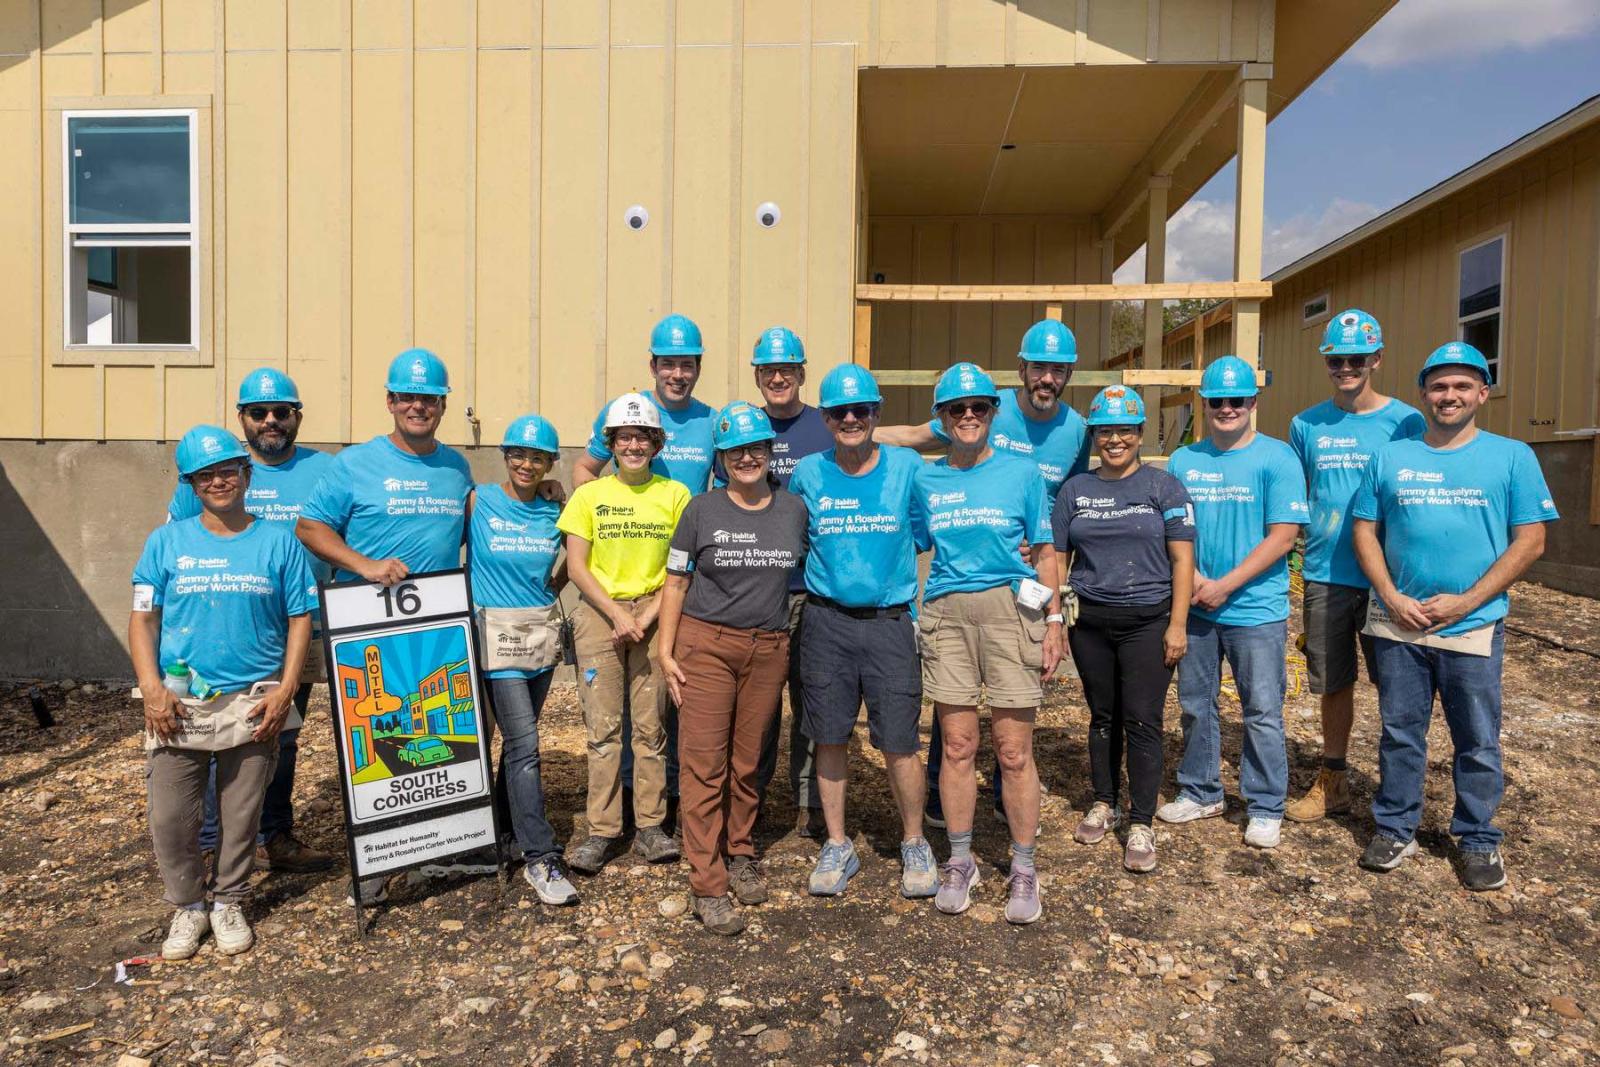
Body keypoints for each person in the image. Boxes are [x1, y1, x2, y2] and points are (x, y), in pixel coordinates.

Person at [1352, 342, 1557, 891]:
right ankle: (1396, 826)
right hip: (1399, 621)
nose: (1449, 396)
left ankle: (1478, 838)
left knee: (1477, 737)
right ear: (1424, 393)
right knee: (1400, 731)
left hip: (1472, 625)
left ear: (1482, 393)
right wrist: (1392, 595)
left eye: (1462, 386)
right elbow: (1364, 530)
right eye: (1439, 386)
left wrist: (1467, 601)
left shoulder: (1512, 456)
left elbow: (1531, 540)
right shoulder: (1391, 456)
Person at [877, 319, 1090, 827]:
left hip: (1028, 568)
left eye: (1058, 371)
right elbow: (912, 436)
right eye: (1039, 368)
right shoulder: (982, 410)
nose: (1047, 379)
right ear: (1021, 370)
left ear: (1067, 375)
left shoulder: (1076, 430)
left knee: (1012, 712)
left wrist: (1055, 597)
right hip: (963, 579)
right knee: (955, 711)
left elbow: (1072, 502)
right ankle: (940, 797)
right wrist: (850, 426)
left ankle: (1004, 798)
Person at [297, 347, 475, 903]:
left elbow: (473, 522)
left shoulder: (455, 467)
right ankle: (376, 859)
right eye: (408, 397)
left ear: (443, 405)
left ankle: (435, 846)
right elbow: (310, 528)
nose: (418, 406)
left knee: (434, 738)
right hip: (368, 626)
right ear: (391, 401)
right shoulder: (352, 464)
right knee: (374, 746)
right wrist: (365, 566)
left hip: (436, 628)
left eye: (429, 398)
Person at [132, 426, 315, 960]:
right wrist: (150, 689)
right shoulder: (166, 542)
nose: (219, 481)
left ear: (246, 474)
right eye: (205, 475)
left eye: (228, 471)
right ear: (191, 484)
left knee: (241, 814)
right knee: (171, 815)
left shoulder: (278, 541)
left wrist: (286, 689)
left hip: (252, 700)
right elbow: (143, 619)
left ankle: (229, 899)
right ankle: (188, 905)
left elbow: (300, 617)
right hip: (179, 702)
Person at [169, 368, 336, 877]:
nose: (270, 421)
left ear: (297, 417)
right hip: (225, 629)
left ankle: (274, 834)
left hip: (299, 627)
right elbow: (178, 549)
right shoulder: (217, 470)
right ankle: (213, 842)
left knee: (280, 732)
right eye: (258, 413)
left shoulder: (327, 470)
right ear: (241, 418)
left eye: (281, 412)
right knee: (215, 733)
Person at [915, 363, 1062, 924]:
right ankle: (960, 858)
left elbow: (1044, 550)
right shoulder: (926, 479)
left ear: (994, 413)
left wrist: (1054, 621)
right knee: (956, 746)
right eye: (957, 409)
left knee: (1013, 750)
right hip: (948, 615)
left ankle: (1023, 868)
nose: (969, 416)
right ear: (943, 418)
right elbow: (913, 541)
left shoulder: (1022, 474)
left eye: (979, 406)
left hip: (1010, 611)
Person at [659, 402, 809, 935]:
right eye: (735, 450)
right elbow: (676, 582)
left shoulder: (793, 509)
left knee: (747, 762)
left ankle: (740, 849)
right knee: (703, 763)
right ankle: (708, 882)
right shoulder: (701, 510)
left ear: (771, 453)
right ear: (720, 458)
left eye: (757, 448)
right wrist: (665, 649)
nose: (747, 457)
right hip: (707, 645)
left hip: (768, 647)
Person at [788, 365, 936, 900]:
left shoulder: (907, 467)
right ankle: (836, 842)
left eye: (861, 410)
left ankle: (914, 841)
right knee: (829, 735)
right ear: (825, 418)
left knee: (899, 739)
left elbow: (926, 532)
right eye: (838, 412)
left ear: (877, 413)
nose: (850, 419)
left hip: (889, 622)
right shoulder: (807, 473)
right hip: (825, 621)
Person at [574, 313, 718, 821]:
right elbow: (586, 470)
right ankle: (625, 805)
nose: (677, 373)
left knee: (667, 695)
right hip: (623, 575)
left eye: (687, 364)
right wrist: (591, 518)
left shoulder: (710, 420)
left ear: (697, 367)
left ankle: (668, 800)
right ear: (653, 365)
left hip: (679, 576)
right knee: (616, 712)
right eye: (668, 364)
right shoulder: (622, 415)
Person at [1160, 355, 1307, 849]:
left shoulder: (1278, 458)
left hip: (1255, 609)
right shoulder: (1185, 460)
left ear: (1252, 403)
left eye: (1236, 400)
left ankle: (1266, 804)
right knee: (1195, 704)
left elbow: (1283, 536)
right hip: (1198, 603)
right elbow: (1177, 530)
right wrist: (1197, 577)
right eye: (1217, 400)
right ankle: (1202, 789)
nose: (1227, 408)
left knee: (1262, 709)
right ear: (1204, 404)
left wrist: (1226, 584)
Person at [1286, 310, 1425, 823]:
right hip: (1326, 572)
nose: (1347, 367)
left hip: (1391, 578)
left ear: (1376, 359)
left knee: (1397, 687)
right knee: (1333, 681)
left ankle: (1399, 790)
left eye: (1357, 359)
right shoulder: (1306, 425)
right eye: (1337, 359)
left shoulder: (1406, 421)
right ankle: (1334, 779)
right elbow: (1297, 497)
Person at [1053, 387, 1195, 872]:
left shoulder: (1164, 487)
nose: (1115, 440)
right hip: (1091, 620)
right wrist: (1055, 612)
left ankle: (1141, 821)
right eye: (1106, 431)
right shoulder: (1075, 490)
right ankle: (1104, 801)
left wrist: (1178, 624)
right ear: (1094, 436)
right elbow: (1056, 555)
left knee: (1143, 719)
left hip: (1148, 620)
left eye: (1125, 431)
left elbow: (1182, 559)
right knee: (1102, 716)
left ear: (1139, 435)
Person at [558, 393, 690, 874]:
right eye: (624, 437)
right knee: (603, 728)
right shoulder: (590, 496)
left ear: (656, 443)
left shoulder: (674, 495)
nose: (633, 445)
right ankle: (603, 830)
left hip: (656, 612)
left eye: (642, 436)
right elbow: (576, 565)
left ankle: (652, 827)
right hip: (599, 613)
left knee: (651, 728)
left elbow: (680, 567)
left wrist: (649, 615)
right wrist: (616, 614)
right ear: (610, 443)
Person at [715, 327, 833, 836]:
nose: (778, 377)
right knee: (754, 708)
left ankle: (807, 803)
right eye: (768, 370)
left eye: (787, 369)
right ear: (757, 376)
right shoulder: (743, 428)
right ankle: (750, 800)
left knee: (808, 699)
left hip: (808, 590)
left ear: (802, 374)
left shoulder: (826, 427)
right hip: (755, 591)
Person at [467, 415, 579, 907]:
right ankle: (540, 854)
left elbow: (580, 549)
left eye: (538, 457)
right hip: (496, 642)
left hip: (539, 640)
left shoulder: (556, 510)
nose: (527, 464)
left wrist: (551, 589)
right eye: (519, 454)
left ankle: (501, 831)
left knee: (517, 747)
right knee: (526, 744)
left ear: (550, 462)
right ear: (504, 456)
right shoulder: (479, 501)